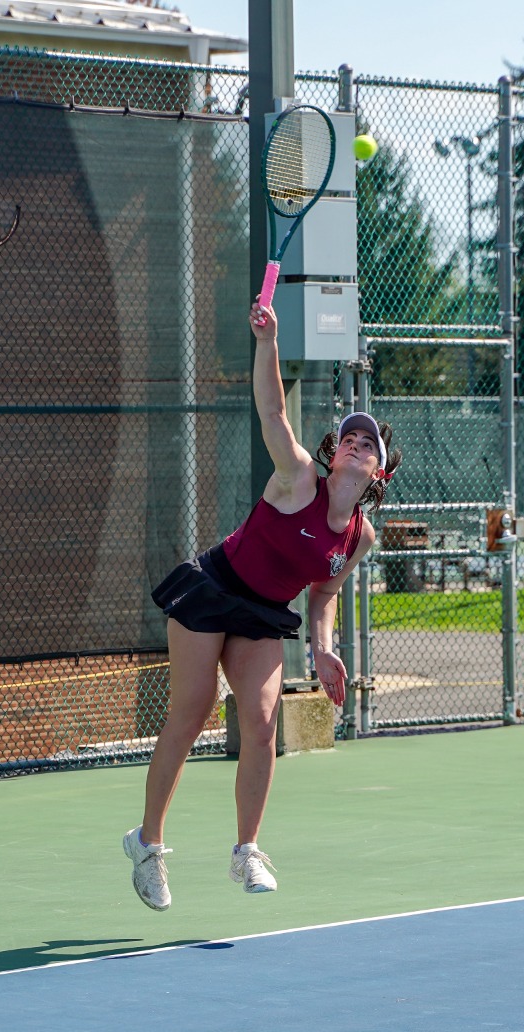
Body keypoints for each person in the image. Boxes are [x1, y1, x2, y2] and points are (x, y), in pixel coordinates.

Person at [122, 301, 399, 911]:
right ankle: (147, 845)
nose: (356, 444)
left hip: (263, 612)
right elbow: (273, 411)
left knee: (263, 721)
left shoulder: (361, 537)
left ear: (377, 473)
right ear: (333, 455)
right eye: (349, 438)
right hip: (213, 589)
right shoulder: (297, 476)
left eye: (368, 443)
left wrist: (323, 650)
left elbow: (323, 592)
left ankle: (246, 849)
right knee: (192, 712)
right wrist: (267, 341)